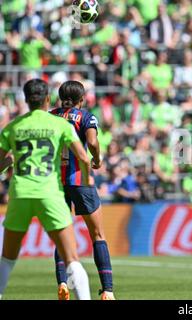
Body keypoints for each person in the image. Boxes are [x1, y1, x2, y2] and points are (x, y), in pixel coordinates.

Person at [0, 79, 91, 300]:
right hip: (50, 194)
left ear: (26, 99)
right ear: (48, 99)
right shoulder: (60, 124)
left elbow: (2, 162)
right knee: (72, 258)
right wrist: (87, 183)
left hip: (21, 193)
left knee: (7, 259)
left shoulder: (13, 126)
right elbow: (83, 158)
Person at [50, 80, 115, 300]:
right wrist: (97, 159)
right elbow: (93, 142)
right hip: (81, 180)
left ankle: (62, 283)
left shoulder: (50, 116)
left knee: (62, 235)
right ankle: (107, 290)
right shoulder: (86, 116)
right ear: (82, 99)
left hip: (56, 183)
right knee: (97, 234)